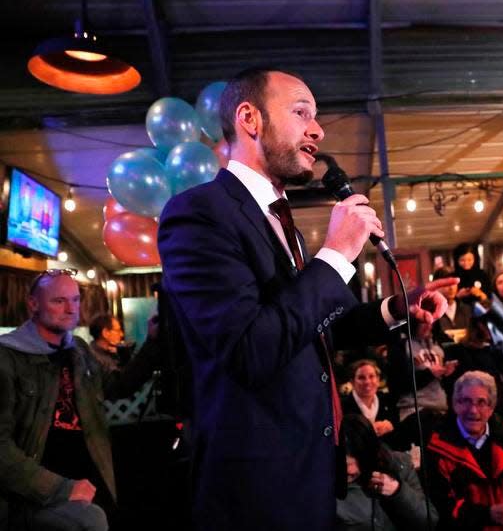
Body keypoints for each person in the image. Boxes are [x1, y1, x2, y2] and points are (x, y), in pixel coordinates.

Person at [157, 67, 452, 531]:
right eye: (301, 113)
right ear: (249, 118)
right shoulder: (198, 214)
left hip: (309, 470)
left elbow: (307, 328)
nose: (317, 129)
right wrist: (336, 254)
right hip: (258, 487)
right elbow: (251, 347)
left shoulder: (280, 218)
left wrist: (396, 309)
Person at [0, 270, 160, 531]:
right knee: (91, 520)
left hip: (90, 477)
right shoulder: (8, 357)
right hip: (34, 493)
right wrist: (60, 488)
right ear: (33, 304)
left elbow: (118, 386)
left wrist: (153, 343)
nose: (71, 309)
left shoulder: (78, 349)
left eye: (75, 300)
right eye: (59, 301)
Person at [427, 371, 503, 530]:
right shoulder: (437, 449)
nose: (473, 410)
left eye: (481, 402)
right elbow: (442, 509)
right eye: (466, 401)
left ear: (491, 407)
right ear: (455, 404)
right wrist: (488, 514)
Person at [335, 415, 436, 531]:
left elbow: (429, 522)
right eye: (344, 464)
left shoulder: (399, 465)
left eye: (358, 461)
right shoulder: (324, 484)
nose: (350, 470)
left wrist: (398, 491)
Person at [341, 359, 399, 444]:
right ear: (352, 382)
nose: (367, 382)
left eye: (371, 376)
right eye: (361, 378)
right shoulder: (343, 406)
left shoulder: (387, 400)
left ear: (378, 380)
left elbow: (397, 425)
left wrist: (390, 425)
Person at [88, 313, 159, 372]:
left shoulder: (111, 352)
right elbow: (122, 381)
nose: (122, 334)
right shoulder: (96, 359)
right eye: (118, 330)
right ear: (105, 333)